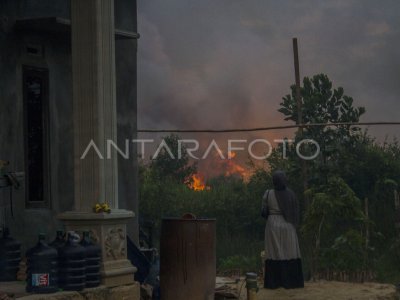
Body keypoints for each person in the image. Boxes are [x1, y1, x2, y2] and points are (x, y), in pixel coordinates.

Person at [262, 170, 304, 289]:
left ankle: (274, 283)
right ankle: (291, 282)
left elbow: (263, 212)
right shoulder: (291, 194)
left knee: (274, 253)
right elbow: (296, 210)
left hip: (273, 225)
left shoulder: (268, 193)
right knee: (290, 251)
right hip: (288, 226)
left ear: (274, 181)